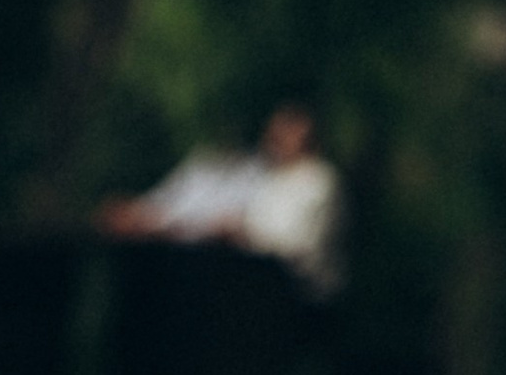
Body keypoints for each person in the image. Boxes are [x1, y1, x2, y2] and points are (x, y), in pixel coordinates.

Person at [97, 104, 344, 300]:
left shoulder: (318, 179)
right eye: (273, 133)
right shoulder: (272, 178)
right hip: (253, 280)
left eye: (282, 134)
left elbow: (293, 245)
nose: (273, 140)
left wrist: (242, 231)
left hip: (293, 292)